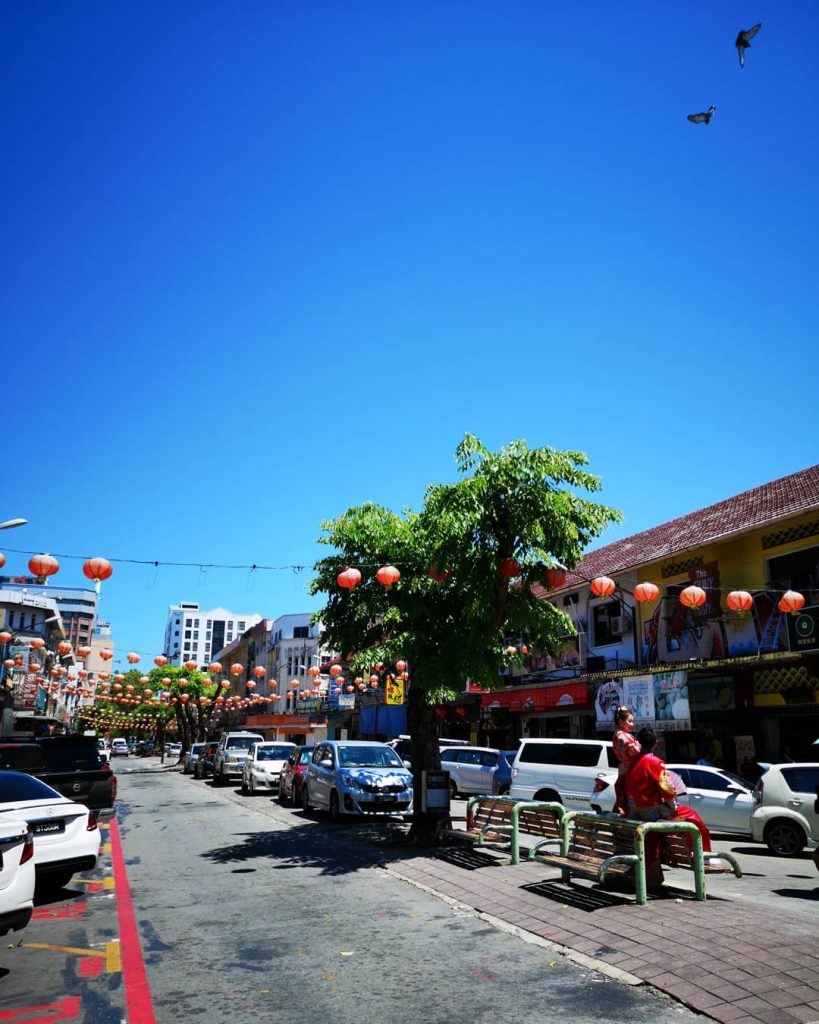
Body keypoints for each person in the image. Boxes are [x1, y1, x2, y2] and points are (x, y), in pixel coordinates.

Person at [626, 727, 713, 887]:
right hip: (653, 811)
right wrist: (672, 803)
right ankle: (702, 856)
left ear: (639, 743)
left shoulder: (632, 763)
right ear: (656, 744)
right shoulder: (655, 762)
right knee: (694, 819)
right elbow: (667, 789)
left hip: (636, 810)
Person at [612, 706, 641, 816]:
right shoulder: (623, 736)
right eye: (630, 721)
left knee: (624, 802)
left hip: (624, 771)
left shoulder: (617, 735)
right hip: (630, 772)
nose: (632, 724)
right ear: (621, 721)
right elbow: (636, 751)